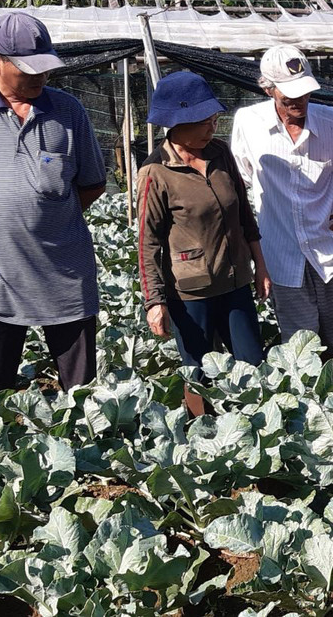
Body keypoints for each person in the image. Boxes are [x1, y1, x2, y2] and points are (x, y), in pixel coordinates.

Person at [0, 13, 107, 395]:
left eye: (45, 68)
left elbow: (91, 185)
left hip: (65, 281)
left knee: (82, 399)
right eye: (28, 69)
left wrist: (45, 220)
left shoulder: (68, 110)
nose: (40, 77)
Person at [138, 72, 271, 414]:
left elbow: (244, 213)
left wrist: (260, 265)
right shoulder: (155, 172)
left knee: (252, 363)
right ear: (178, 122)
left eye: (214, 119)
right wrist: (155, 301)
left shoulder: (221, 153)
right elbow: (147, 243)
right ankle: (204, 437)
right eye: (204, 121)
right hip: (190, 291)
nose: (213, 127)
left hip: (236, 280)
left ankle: (254, 430)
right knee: (197, 372)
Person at [230, 45, 333, 356]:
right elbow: (240, 180)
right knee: (300, 345)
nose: (299, 101)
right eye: (289, 94)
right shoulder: (248, 122)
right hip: (280, 250)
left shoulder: (332, 122)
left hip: (328, 245)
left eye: (304, 92)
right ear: (267, 87)